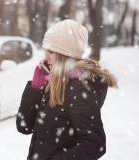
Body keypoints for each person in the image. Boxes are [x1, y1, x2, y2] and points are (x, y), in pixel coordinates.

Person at [16, 19, 118, 160]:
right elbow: (24, 126)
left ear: (64, 54)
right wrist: (35, 86)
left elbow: (94, 144)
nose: (46, 57)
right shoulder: (55, 83)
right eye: (46, 50)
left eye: (51, 51)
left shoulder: (78, 89)